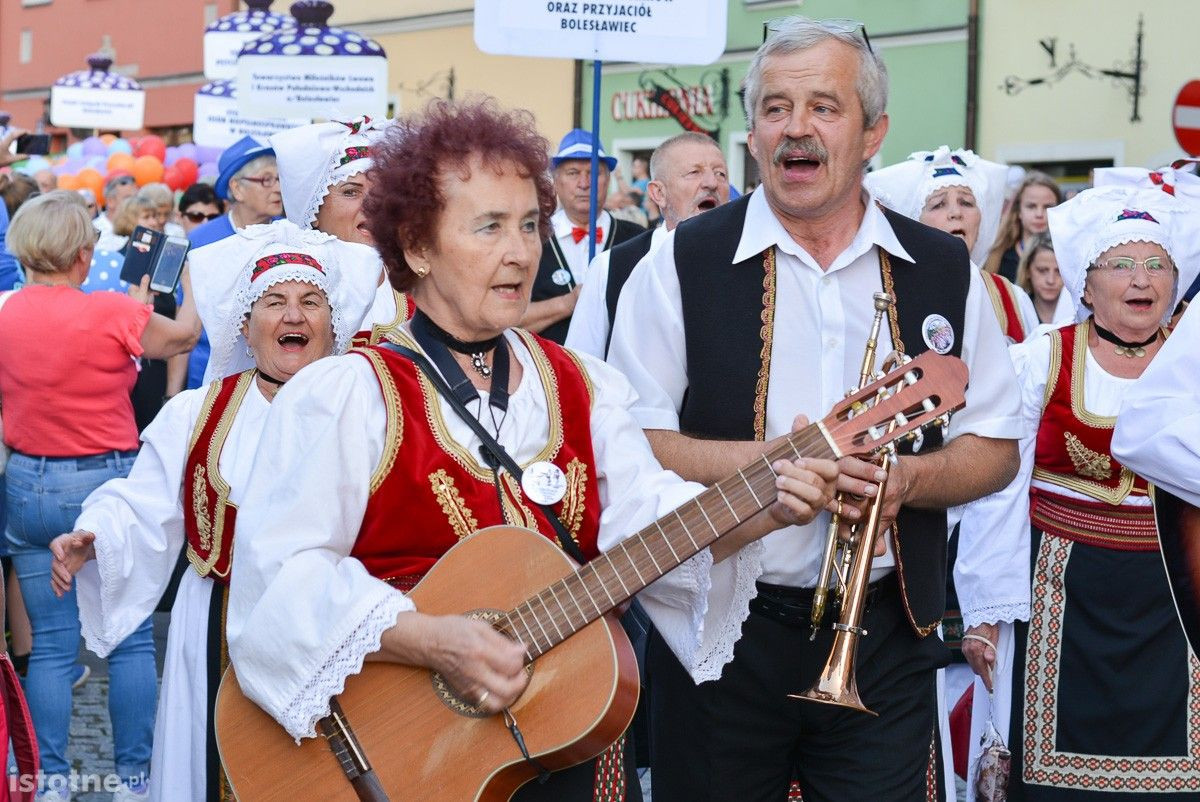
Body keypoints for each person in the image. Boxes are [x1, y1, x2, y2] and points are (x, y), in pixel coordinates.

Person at [224, 97, 837, 802]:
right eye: (488, 227)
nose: (519, 252)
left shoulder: (581, 385)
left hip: (563, 733)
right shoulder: (348, 394)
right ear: (417, 247)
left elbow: (647, 518)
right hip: (400, 752)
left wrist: (768, 506)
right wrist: (429, 640)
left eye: (527, 225)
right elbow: (281, 578)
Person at [606, 17, 1022, 801]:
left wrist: (907, 483)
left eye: (824, 107)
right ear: (754, 134)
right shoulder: (677, 264)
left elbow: (996, 445)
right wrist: (769, 472)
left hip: (886, 633)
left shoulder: (942, 268)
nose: (796, 127)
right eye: (775, 108)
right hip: (717, 630)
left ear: (874, 133)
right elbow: (630, 439)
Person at [48, 230, 377, 802]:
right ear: (245, 326)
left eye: (310, 301)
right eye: (274, 302)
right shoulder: (198, 412)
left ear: (332, 323)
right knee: (212, 768)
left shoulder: (368, 409)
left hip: (331, 624)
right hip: (216, 627)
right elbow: (143, 500)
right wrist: (97, 533)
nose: (293, 315)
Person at [957, 184, 1200, 800]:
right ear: (1086, 287)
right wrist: (987, 614)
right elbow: (998, 491)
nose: (1141, 279)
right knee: (1051, 782)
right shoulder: (1042, 358)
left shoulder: (1194, 362)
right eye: (1122, 264)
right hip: (1061, 599)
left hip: (1178, 597)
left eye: (1157, 265)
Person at [0, 191, 200, 801]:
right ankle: (135, 780)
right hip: (105, 483)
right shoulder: (112, 311)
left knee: (51, 645)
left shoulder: (5, 311)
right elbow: (184, 337)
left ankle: (50, 781)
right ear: (83, 255)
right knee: (132, 635)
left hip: (30, 484)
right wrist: (189, 274)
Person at [566, 131, 730, 358]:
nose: (712, 183)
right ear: (658, 193)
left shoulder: (752, 262)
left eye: (721, 174)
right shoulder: (610, 268)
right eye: (694, 172)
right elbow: (580, 366)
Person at [269, 116, 415, 348]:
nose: (372, 205)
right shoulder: (282, 283)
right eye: (350, 192)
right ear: (314, 210)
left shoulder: (416, 278)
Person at [867, 147, 1038, 343]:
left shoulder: (1012, 298)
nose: (956, 213)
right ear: (912, 220)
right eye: (938, 204)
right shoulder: (889, 296)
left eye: (966, 202)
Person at [522, 129, 643, 343]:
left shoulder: (637, 239)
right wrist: (567, 303)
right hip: (548, 363)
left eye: (594, 173)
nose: (584, 183)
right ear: (556, 181)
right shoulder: (530, 238)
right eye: (573, 173)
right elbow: (507, 320)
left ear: (608, 180)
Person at [184, 135, 281, 390]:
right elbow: (185, 317)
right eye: (267, 179)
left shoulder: (290, 235)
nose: (277, 188)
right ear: (237, 188)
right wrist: (172, 392)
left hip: (273, 374)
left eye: (279, 178)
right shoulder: (201, 241)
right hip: (207, 373)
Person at [984, 172, 1062, 283]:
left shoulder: (1068, 256)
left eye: (1047, 207)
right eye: (1031, 206)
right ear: (1019, 211)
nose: (1039, 214)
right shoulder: (999, 258)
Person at [1014, 233, 1071, 325]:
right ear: (1027, 270)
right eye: (1042, 270)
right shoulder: (1016, 312)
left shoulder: (1081, 316)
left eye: (1059, 272)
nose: (1051, 280)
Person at [95, 174, 138, 252]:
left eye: (136, 198)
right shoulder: (92, 229)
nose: (135, 203)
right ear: (110, 201)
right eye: (128, 198)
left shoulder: (142, 228)